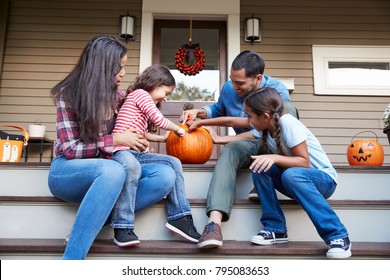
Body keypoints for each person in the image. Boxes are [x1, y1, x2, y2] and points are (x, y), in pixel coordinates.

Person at [48, 35, 197, 260]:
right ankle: (71, 262)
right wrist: (117, 140)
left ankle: (99, 221)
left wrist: (138, 136)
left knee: (166, 174)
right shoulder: (68, 95)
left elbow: (131, 128)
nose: (124, 73)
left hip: (113, 162)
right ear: (102, 67)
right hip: (69, 171)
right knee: (114, 170)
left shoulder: (119, 96)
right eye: (120, 67)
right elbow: (71, 150)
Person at [180, 50, 299, 249]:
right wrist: (198, 112)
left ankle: (270, 175)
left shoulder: (276, 90)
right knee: (230, 150)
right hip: (246, 143)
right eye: (232, 81)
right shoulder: (229, 88)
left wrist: (220, 137)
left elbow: (258, 129)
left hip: (271, 143)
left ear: (258, 78)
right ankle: (213, 224)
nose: (234, 87)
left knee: (289, 108)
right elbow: (219, 109)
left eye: (240, 84)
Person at [244, 87, 351, 259]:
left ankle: (337, 235)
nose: (247, 121)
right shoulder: (266, 128)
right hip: (296, 180)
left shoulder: (288, 123)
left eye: (249, 116)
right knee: (259, 166)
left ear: (265, 116)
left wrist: (275, 158)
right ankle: (275, 228)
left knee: (289, 174)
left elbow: (304, 162)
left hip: (323, 180)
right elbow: (240, 132)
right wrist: (218, 139)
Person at [111, 64, 200, 246]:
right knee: (132, 167)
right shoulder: (141, 94)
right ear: (156, 83)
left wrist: (163, 138)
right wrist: (177, 129)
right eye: (166, 93)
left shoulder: (141, 101)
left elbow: (144, 133)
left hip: (135, 152)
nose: (165, 99)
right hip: (120, 151)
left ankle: (180, 216)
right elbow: (157, 119)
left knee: (173, 162)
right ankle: (123, 226)